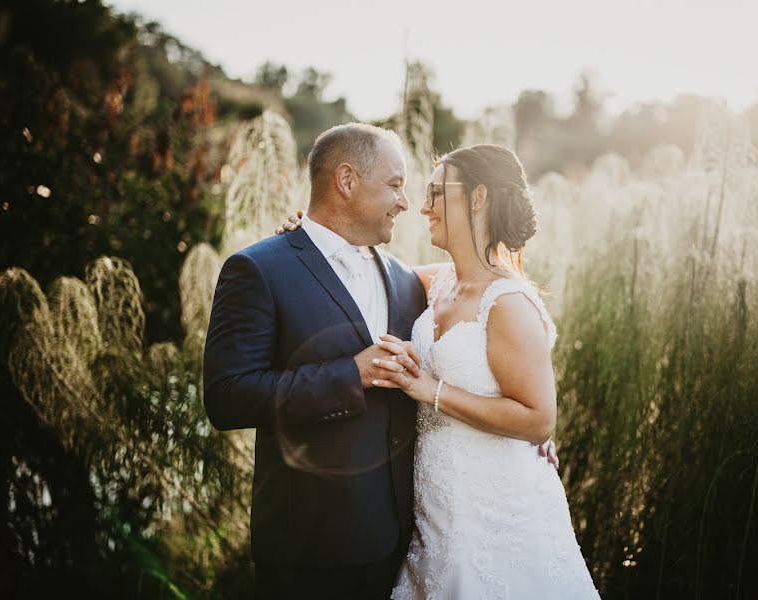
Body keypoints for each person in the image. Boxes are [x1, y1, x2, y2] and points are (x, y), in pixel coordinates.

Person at [206, 123, 557, 599]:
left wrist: (529, 437)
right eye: (396, 185)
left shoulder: (405, 282)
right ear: (347, 182)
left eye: (425, 191)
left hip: (412, 537)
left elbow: (500, 292)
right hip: (310, 548)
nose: (409, 203)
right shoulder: (263, 270)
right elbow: (228, 398)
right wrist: (352, 374)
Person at [277, 144, 599, 598]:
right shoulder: (437, 283)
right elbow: (351, 276)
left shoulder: (507, 302)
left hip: (497, 509)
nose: (422, 207)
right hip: (436, 514)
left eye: (435, 193)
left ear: (479, 197)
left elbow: (539, 419)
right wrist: (309, 237)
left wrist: (430, 389)